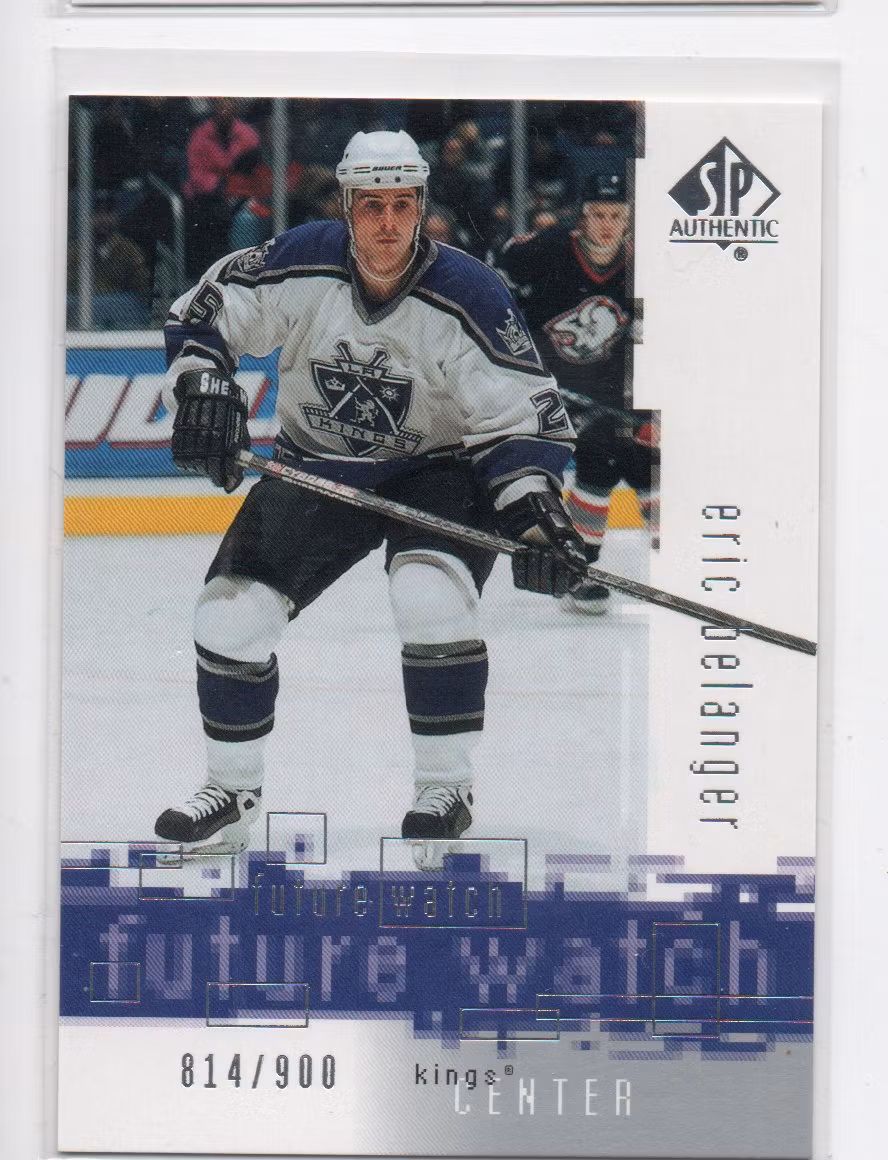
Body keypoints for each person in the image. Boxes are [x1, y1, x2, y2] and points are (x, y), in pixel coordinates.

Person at [154, 130, 582, 860]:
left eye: (402, 205)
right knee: (227, 619)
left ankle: (445, 787)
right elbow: (205, 313)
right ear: (347, 207)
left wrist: (536, 520)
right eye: (372, 206)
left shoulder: (471, 292)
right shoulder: (300, 261)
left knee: (430, 597)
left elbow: (516, 416)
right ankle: (231, 791)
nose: (388, 223)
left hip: (440, 472)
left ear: (422, 208)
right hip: (319, 465)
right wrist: (201, 386)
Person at [497, 167, 657, 613]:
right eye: (598, 214)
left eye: (616, 215)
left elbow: (655, 341)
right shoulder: (545, 251)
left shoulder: (643, 267)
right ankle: (580, 568)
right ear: (582, 217)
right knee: (602, 459)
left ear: (628, 219)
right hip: (549, 385)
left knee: (637, 463)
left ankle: (584, 568)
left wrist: (653, 408)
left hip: (607, 390)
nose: (607, 225)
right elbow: (495, 285)